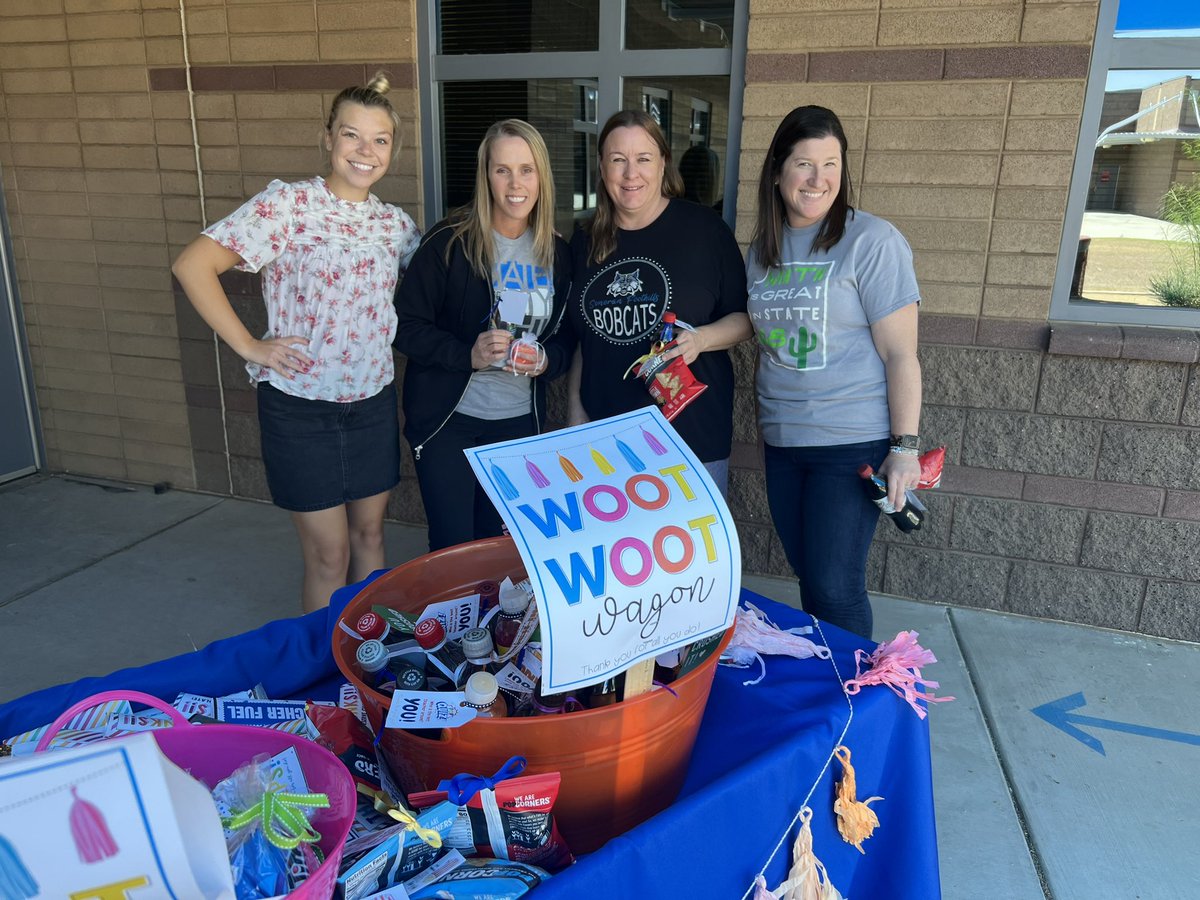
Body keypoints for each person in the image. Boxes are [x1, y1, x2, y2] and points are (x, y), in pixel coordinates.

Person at [172, 73, 420, 612]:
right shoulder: (287, 206)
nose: (365, 151)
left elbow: (438, 292)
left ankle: (364, 660)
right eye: (352, 135)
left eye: (380, 140)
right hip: (299, 409)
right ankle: (323, 674)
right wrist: (249, 346)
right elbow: (193, 265)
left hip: (372, 403)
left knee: (371, 540)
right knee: (329, 556)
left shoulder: (396, 226)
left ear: (391, 150)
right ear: (328, 137)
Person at [747, 105, 923, 640]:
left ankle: (855, 704)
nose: (818, 179)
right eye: (804, 164)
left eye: (831, 164)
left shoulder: (872, 241)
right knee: (812, 579)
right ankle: (833, 686)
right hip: (783, 442)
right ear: (778, 170)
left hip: (850, 445)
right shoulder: (761, 252)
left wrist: (905, 446)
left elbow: (901, 354)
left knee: (836, 586)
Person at [549, 109, 750, 495]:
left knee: (693, 556)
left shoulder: (705, 231)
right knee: (615, 554)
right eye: (617, 160)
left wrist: (701, 340)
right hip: (606, 439)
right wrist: (575, 411)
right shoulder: (585, 241)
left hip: (690, 439)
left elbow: (744, 319)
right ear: (602, 167)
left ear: (663, 164)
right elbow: (583, 339)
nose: (630, 174)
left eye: (643, 159)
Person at [392, 119, 571, 551]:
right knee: (453, 548)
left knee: (497, 549)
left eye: (526, 169)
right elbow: (404, 326)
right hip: (447, 423)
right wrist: (465, 354)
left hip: (516, 426)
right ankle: (452, 622)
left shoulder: (559, 253)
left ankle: (492, 623)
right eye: (502, 169)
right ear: (485, 175)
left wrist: (545, 360)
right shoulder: (448, 243)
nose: (515, 183)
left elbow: (569, 341)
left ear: (541, 176)